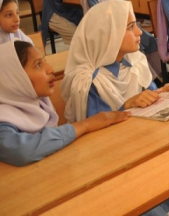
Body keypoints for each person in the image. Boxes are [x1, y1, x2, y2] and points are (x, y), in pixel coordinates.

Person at [60, 0, 169, 214]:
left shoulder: (134, 62)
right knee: (152, 208)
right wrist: (127, 104)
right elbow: (98, 138)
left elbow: (148, 95)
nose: (139, 32)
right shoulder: (88, 82)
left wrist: (162, 92)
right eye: (130, 27)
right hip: (112, 166)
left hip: (143, 146)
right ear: (109, 34)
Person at [0, 41, 129, 167]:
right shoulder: (3, 118)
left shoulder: (39, 104)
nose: (51, 69)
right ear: (14, 78)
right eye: (38, 64)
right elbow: (22, 151)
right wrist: (85, 125)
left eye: (44, 61)